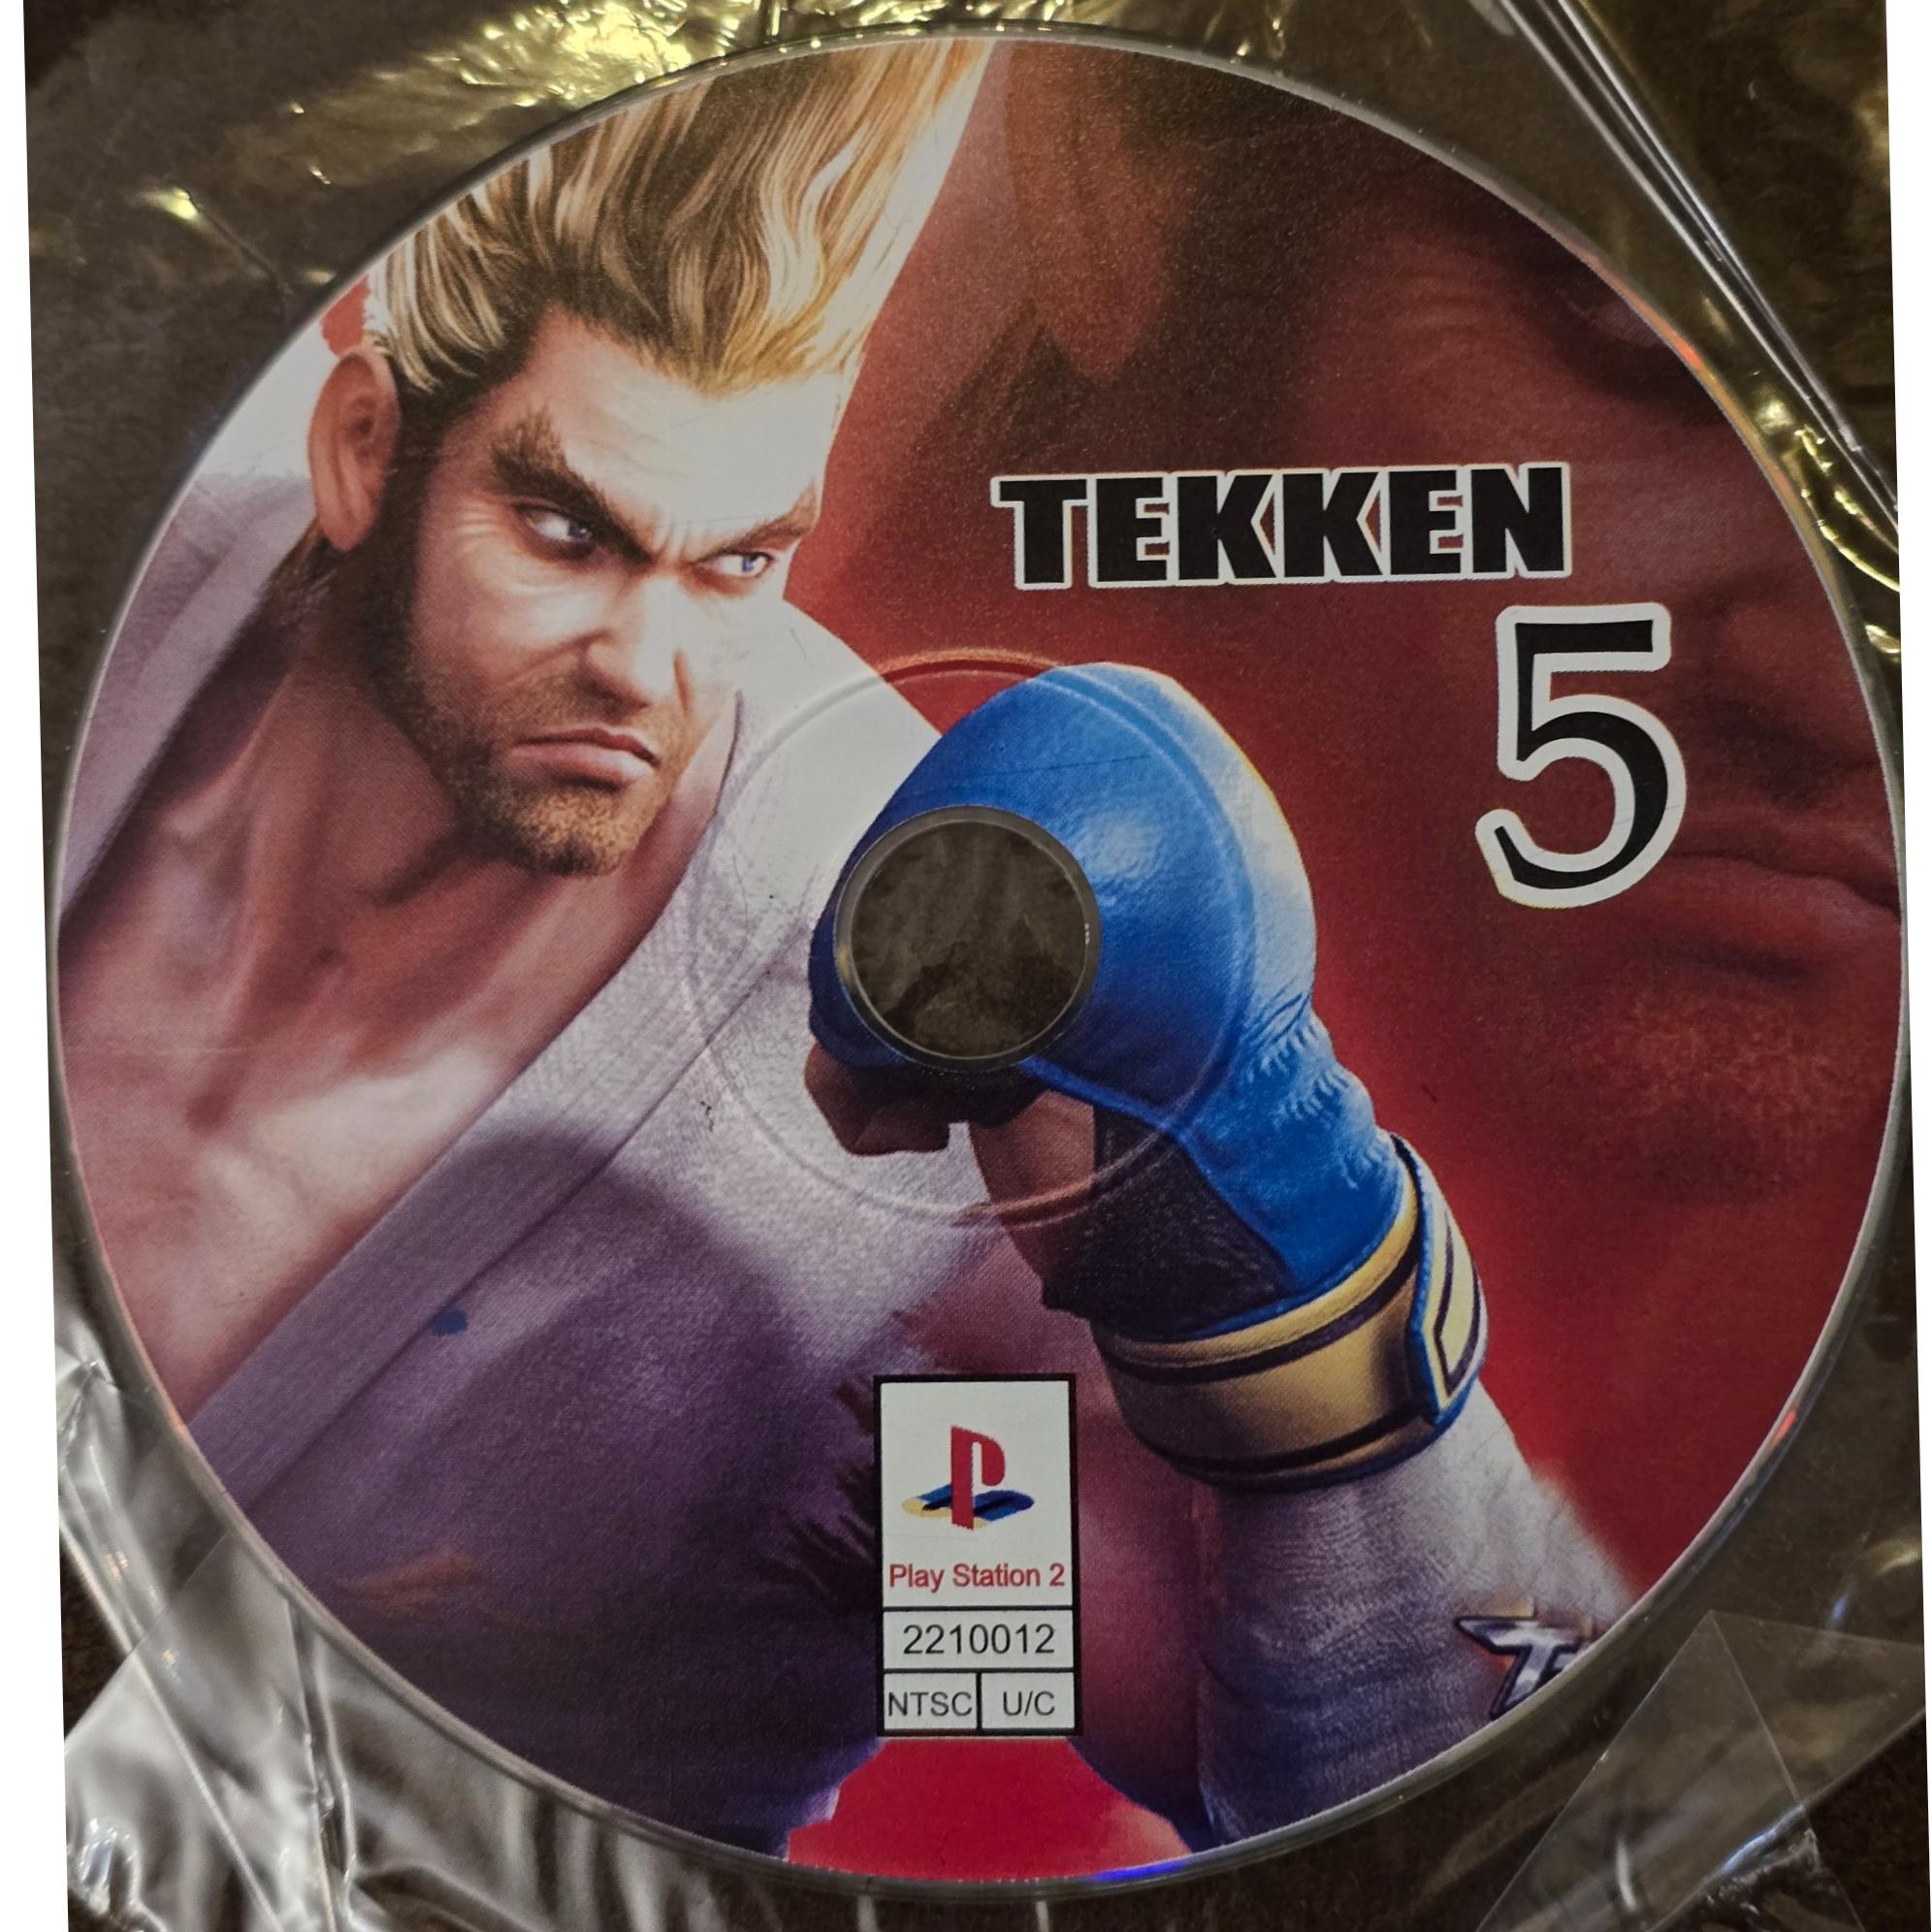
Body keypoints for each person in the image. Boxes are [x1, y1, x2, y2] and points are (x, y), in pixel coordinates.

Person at [58, 42, 1623, 1866]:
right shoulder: (98, 593)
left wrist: (1281, 1224)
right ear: (361, 453)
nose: (645, 668)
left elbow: (1438, 1829)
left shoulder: (913, 1104)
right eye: (565, 531)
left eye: (739, 563)